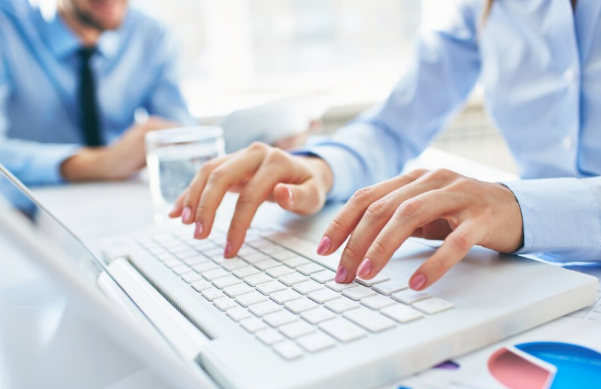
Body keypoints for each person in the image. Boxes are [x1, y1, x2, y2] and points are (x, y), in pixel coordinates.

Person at [170, 0, 601, 292]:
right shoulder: (483, 8)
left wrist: (517, 207)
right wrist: (321, 166)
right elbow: (397, 125)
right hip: (544, 277)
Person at [0, 0, 193, 188]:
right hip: (28, 208)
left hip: (120, 196)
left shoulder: (152, 36)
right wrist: (100, 163)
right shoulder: (8, 25)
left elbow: (185, 141)